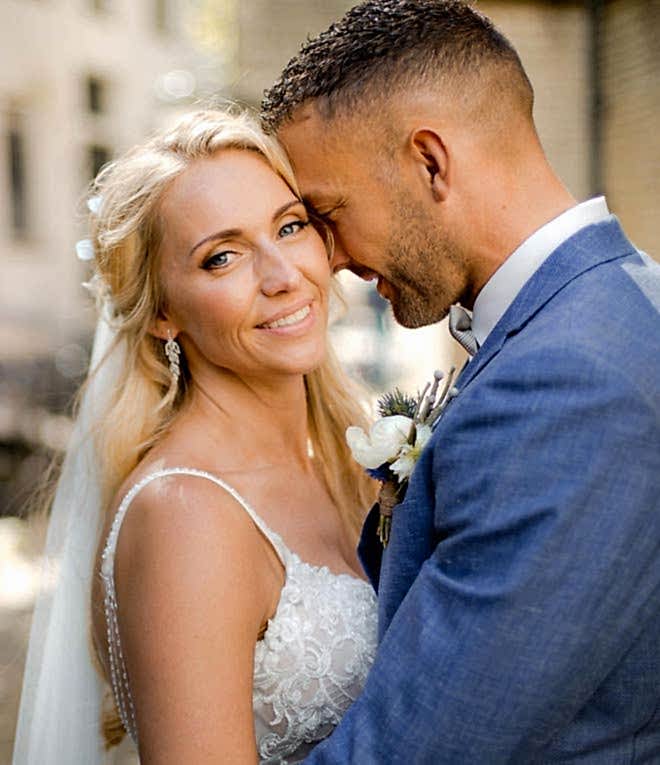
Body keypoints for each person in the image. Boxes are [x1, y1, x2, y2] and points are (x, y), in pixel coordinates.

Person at [261, 0, 660, 761]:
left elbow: (418, 748)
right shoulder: (630, 299)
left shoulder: (561, 384)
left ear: (430, 163)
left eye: (328, 212)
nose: (331, 256)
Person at [13, 109, 378, 765]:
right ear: (160, 312)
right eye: (223, 257)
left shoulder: (349, 461)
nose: (282, 275)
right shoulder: (185, 513)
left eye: (290, 226)